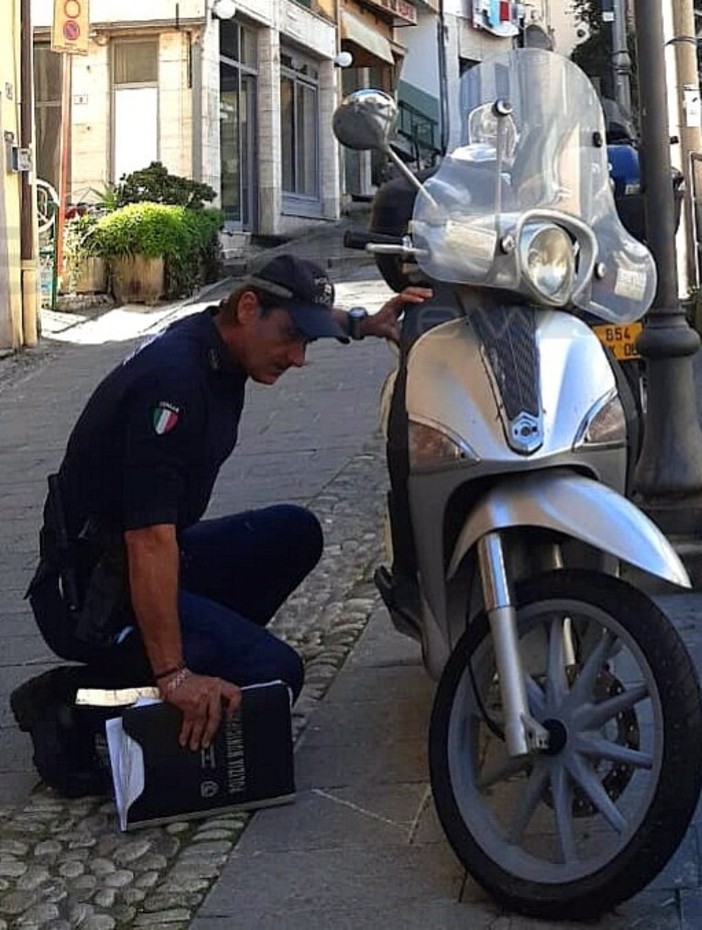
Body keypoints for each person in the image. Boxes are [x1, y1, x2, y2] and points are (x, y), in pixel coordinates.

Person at [12, 253, 430, 795]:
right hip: (93, 597)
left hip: (140, 562)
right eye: (290, 337)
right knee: (276, 676)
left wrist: (359, 324)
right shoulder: (173, 387)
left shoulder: (214, 335)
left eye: (308, 338)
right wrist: (174, 675)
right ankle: (75, 701)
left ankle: (207, 645)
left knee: (294, 533)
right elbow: (149, 539)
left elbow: (159, 540)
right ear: (249, 307)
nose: (299, 357)